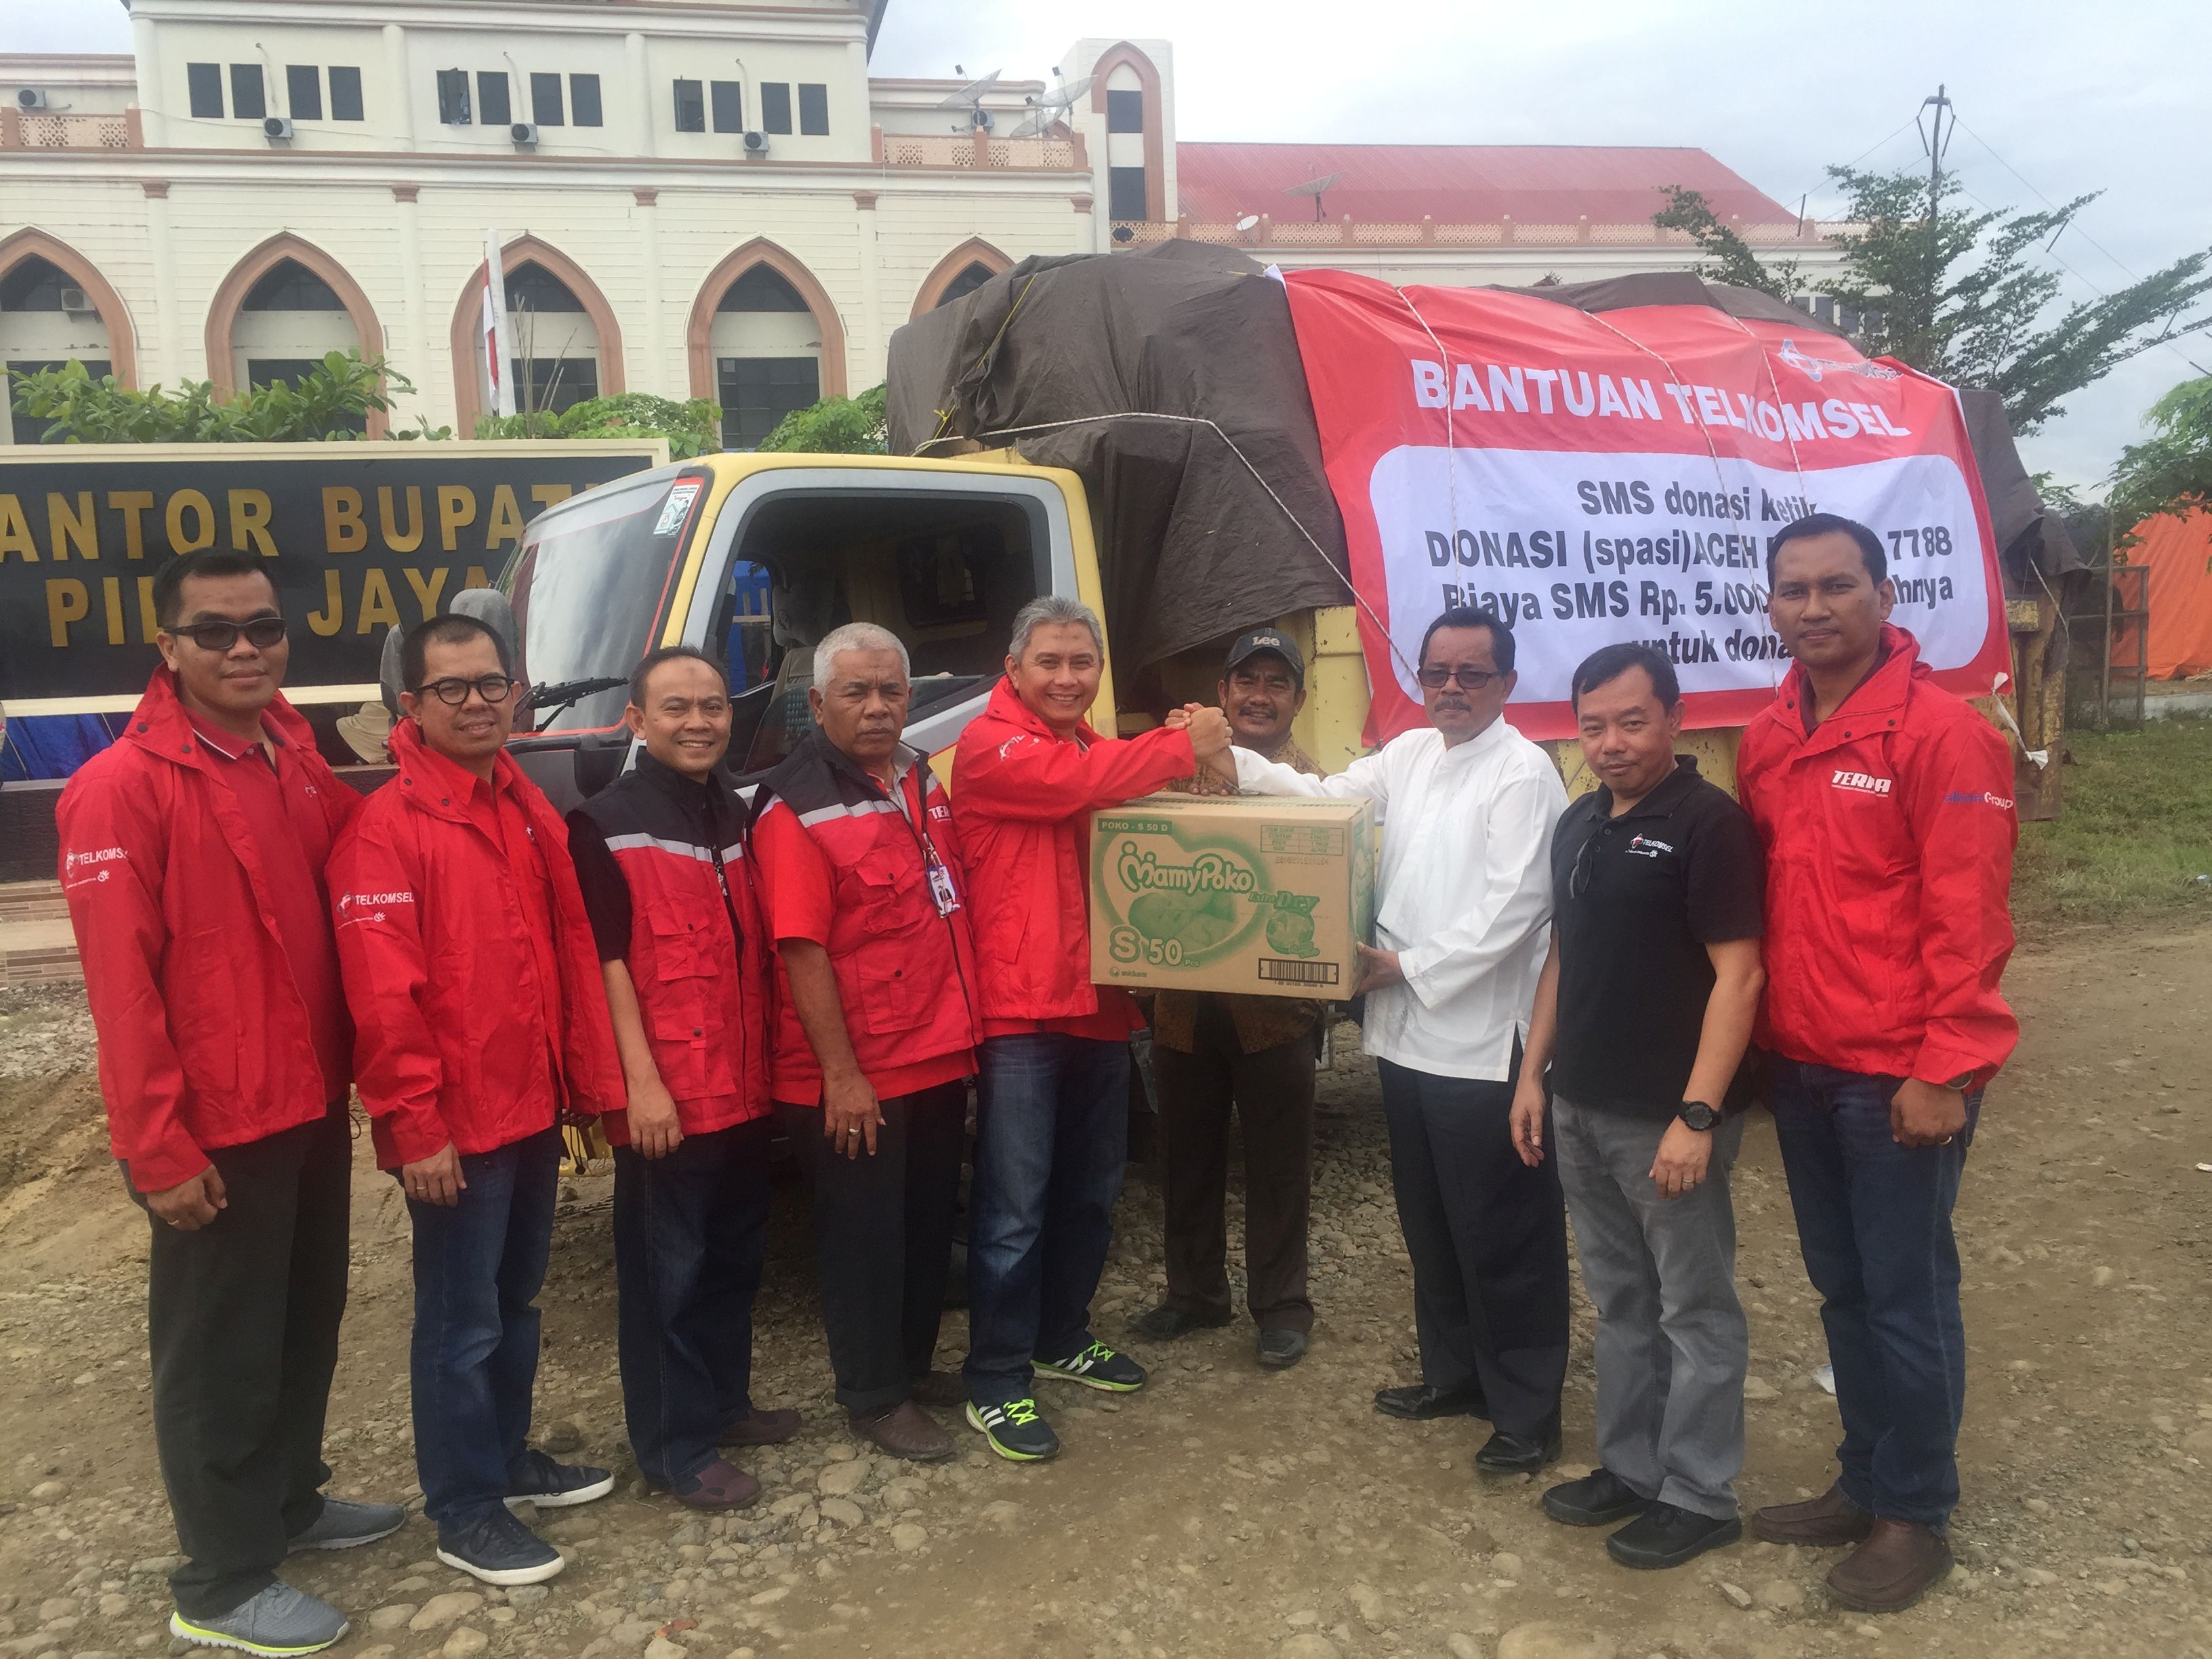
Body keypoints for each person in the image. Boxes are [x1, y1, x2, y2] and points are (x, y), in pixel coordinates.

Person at [57, 550, 402, 1656]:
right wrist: (155, 1146)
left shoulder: (289, 755)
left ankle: (288, 1501)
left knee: (304, 1322)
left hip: (305, 1100)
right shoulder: (123, 787)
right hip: (215, 1123)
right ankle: (219, 1574)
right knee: (219, 1350)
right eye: (215, 631)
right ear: (167, 647)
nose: (245, 647)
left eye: (262, 626)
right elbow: (122, 988)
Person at [1736, 514, 2018, 1612]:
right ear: (1769, 605)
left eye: (1835, 586)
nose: (1812, 608)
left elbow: (1968, 917)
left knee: (1904, 1293)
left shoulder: (1942, 737)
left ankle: (1913, 1508)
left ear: (1884, 594)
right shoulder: (1768, 735)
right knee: (1840, 1287)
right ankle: (1859, 1478)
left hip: (1897, 1077)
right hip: (1802, 1065)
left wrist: (1942, 1067)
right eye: (1791, 590)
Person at [1219, 606, 1570, 1473]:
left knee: (1502, 1232)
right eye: (1436, 673)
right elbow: (1330, 795)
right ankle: (1455, 1376)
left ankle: (1526, 1410)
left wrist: (1405, 965)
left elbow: (1516, 911)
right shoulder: (1410, 753)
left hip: (1482, 1044)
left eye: (1471, 675)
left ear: (1507, 685)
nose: (1450, 689)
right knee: (1431, 1220)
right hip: (1408, 1038)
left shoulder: (1524, 775)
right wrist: (1227, 762)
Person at [331, 613, 628, 1587]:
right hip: (456, 1126)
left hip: (530, 1105)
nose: (475, 702)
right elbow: (384, 1001)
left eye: (490, 684)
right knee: (459, 1326)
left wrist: (582, 1080)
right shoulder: (387, 832)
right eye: (450, 689)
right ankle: (465, 1508)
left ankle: (505, 1460)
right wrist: (415, 1128)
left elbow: (565, 956)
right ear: (407, 706)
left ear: (516, 693)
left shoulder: (517, 805)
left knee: (515, 1303)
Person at [951, 594, 1233, 1461]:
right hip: (1021, 1011)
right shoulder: (989, 745)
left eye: (1083, 663)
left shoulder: (1086, 745)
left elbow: (1133, 781)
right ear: (1014, 671)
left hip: (1100, 1008)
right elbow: (1078, 786)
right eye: (1051, 662)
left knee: (1088, 1192)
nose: (1069, 677)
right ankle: (997, 1379)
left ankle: (1060, 1334)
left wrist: (1189, 753)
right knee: (1015, 1207)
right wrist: (1185, 740)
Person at [1509, 643, 1766, 1569]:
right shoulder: (1580, 821)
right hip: (1579, 1104)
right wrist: (1534, 1076)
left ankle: (1700, 1494)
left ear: (1674, 718)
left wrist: (1698, 1116)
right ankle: (1631, 1469)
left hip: (1665, 1119)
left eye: (1631, 722)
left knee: (1693, 1309)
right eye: (1592, 725)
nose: (1611, 744)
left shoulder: (1708, 826)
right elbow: (1563, 959)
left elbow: (1740, 977)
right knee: (1621, 1301)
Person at [566, 647, 796, 1513]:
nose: (698, 722)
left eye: (712, 706)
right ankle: (674, 1447)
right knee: (669, 1274)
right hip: (669, 1092)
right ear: (637, 721)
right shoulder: (606, 822)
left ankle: (725, 1408)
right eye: (676, 708)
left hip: (743, 1082)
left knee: (733, 1260)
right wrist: (640, 1086)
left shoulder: (736, 811)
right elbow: (607, 964)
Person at [751, 623, 985, 1463]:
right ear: (818, 705)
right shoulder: (792, 806)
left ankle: (913, 1369)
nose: (879, 706)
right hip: (858, 1075)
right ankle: (873, 1395)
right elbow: (800, 948)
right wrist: (840, 1078)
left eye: (892, 690)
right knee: (864, 1238)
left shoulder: (919, 777)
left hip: (933, 1051)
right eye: (857, 692)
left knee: (926, 1226)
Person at [1132, 629, 1328, 1370]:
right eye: (1246, 680)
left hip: (1275, 1013)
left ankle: (1282, 1307)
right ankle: (1194, 1295)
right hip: (1183, 1003)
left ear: (1299, 701)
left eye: (1277, 682)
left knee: (1279, 1165)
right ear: (1222, 693)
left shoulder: (1312, 785)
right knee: (1184, 1157)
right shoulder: (1173, 764)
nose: (1259, 695)